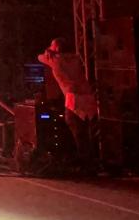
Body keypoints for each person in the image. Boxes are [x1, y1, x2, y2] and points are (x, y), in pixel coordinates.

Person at [38, 37, 98, 171]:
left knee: (75, 128)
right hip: (87, 98)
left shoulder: (55, 59)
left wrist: (48, 51)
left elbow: (39, 57)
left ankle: (84, 162)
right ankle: (88, 160)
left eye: (52, 45)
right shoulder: (75, 58)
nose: (50, 47)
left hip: (74, 98)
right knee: (85, 131)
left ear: (57, 48)